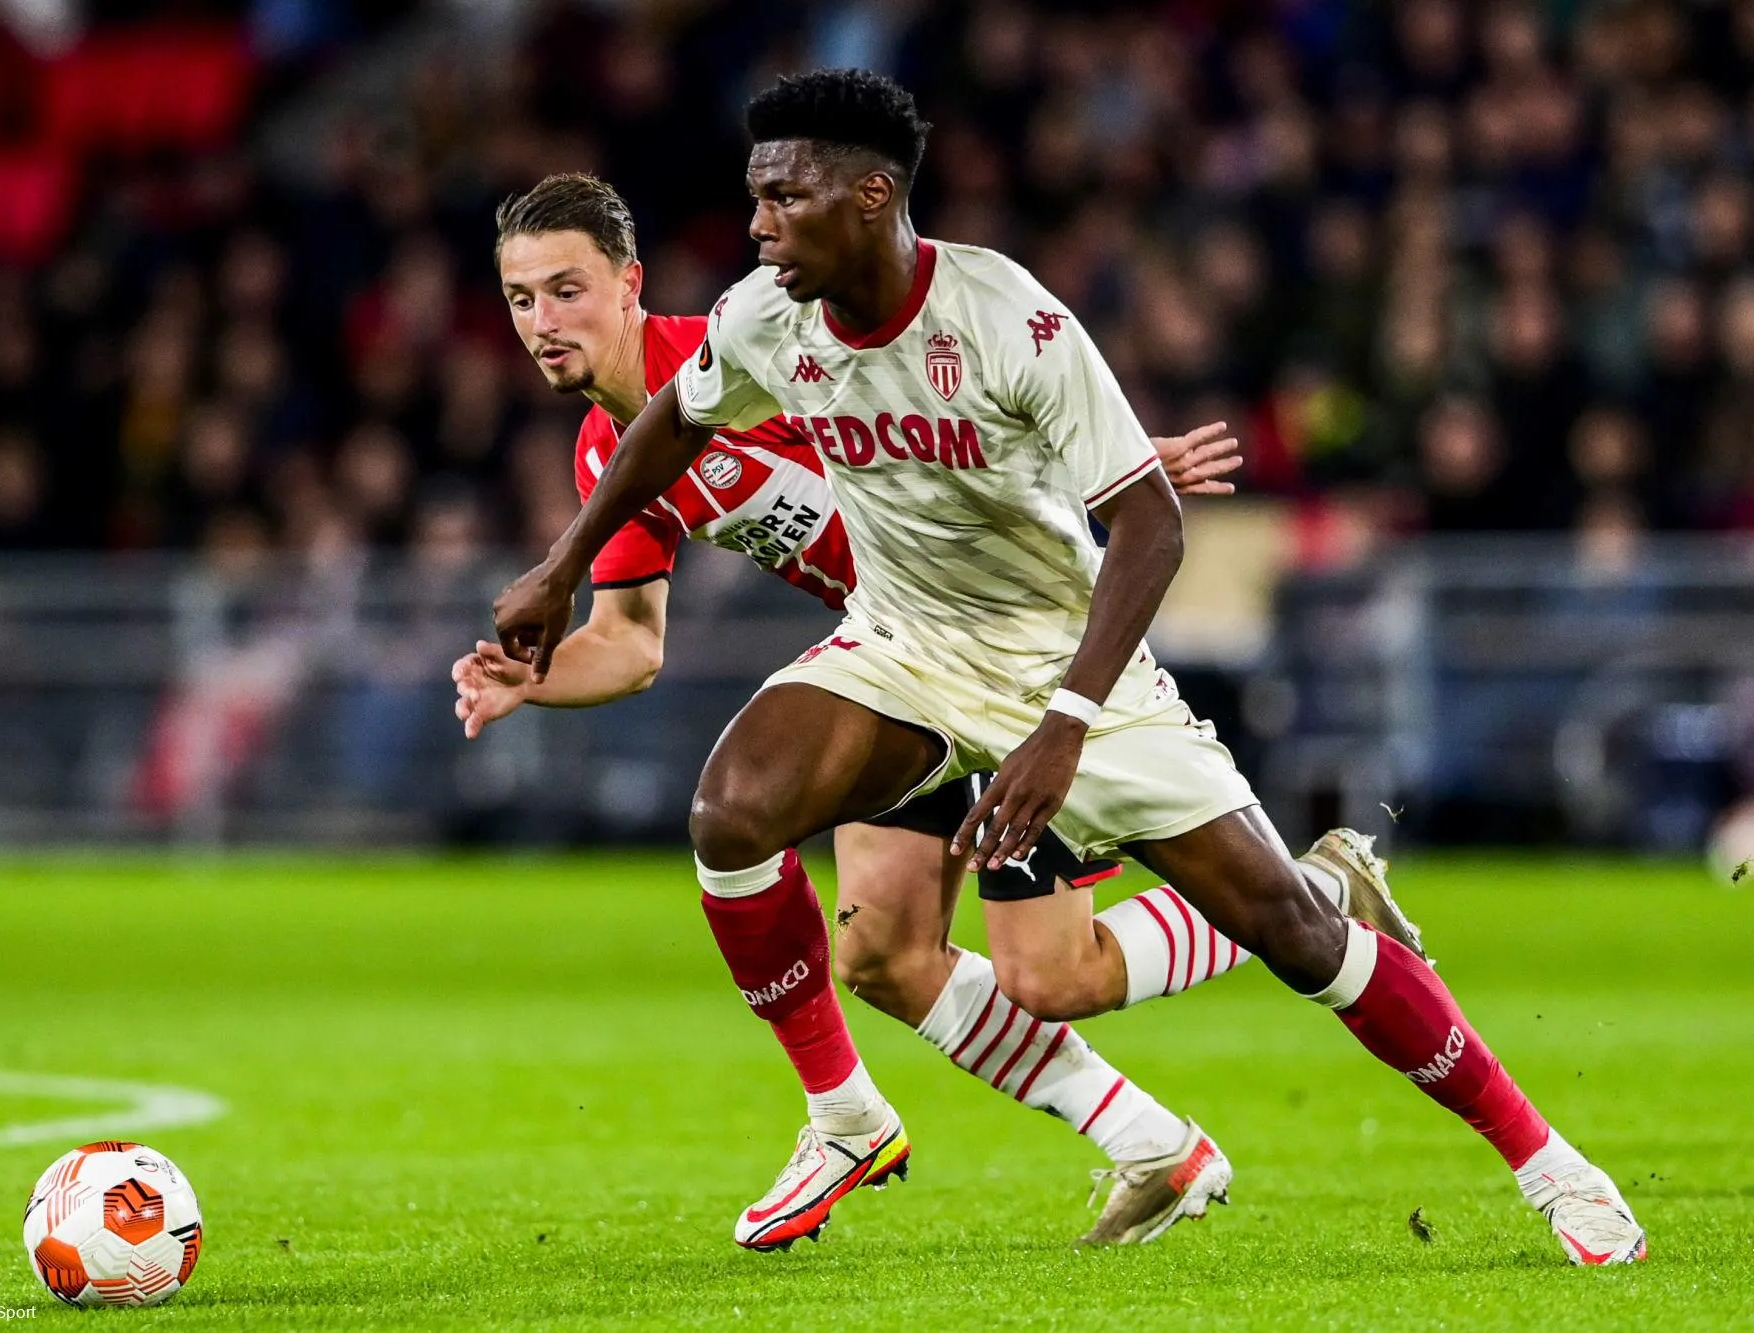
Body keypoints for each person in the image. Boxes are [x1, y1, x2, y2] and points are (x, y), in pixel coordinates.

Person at [494, 71, 1647, 1267]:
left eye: (783, 198)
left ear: (869, 195)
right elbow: (672, 422)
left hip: (1066, 661)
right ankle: (846, 1115)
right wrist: (556, 572)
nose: (757, 225)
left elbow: (1148, 527)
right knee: (734, 815)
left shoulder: (1010, 318)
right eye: (754, 198)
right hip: (900, 648)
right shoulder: (762, 318)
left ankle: (1549, 1164)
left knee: (1268, 942)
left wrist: (1061, 723)